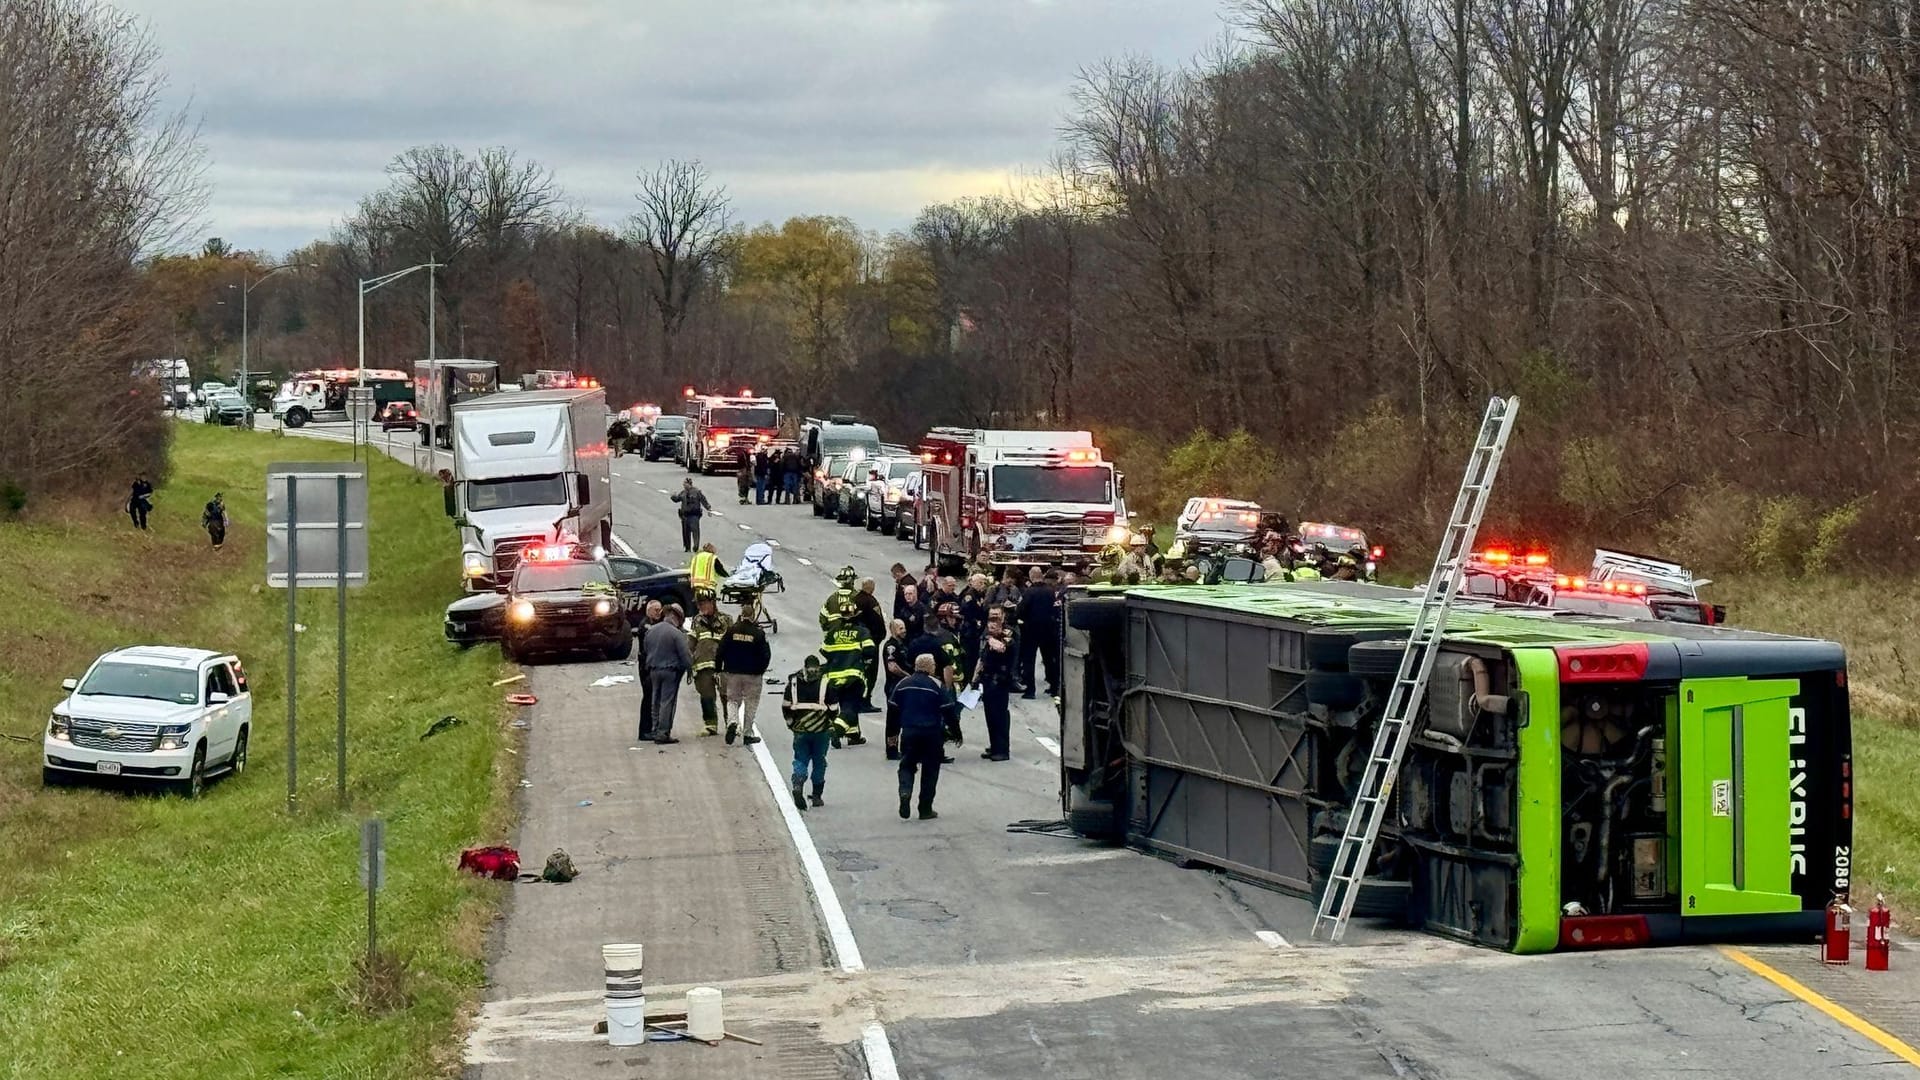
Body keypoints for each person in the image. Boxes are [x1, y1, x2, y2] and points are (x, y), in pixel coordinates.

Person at [892, 654, 948, 820]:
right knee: (930, 770)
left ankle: (905, 790)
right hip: (931, 734)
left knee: (907, 765)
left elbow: (893, 709)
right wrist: (955, 732)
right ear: (930, 667)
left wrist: (892, 734)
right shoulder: (936, 685)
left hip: (909, 732)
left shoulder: (903, 684)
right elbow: (948, 709)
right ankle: (925, 809)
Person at [907, 603, 966, 755]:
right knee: (939, 717)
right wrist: (947, 687)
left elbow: (907, 663)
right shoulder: (947, 638)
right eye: (952, 618)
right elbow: (951, 665)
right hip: (938, 684)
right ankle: (937, 749)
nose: (955, 621)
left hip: (916, 684)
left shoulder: (915, 642)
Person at [783, 655, 836, 810]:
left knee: (800, 759)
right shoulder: (826, 683)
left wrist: (791, 724)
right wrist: (830, 726)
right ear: (818, 667)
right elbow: (834, 709)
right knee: (819, 761)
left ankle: (798, 784)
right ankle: (817, 796)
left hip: (800, 730)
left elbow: (786, 706)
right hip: (821, 731)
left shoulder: (793, 683)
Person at [717, 599, 771, 745]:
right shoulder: (758, 634)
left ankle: (732, 722)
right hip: (753, 675)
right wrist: (761, 670)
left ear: (741, 615)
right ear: (753, 616)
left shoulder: (731, 631)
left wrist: (718, 669)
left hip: (733, 673)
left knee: (732, 700)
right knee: (751, 703)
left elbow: (721, 649)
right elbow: (766, 655)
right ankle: (747, 734)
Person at [819, 606, 872, 747]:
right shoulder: (861, 632)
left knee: (845, 705)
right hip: (853, 676)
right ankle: (835, 730)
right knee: (851, 706)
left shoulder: (833, 632)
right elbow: (870, 649)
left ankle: (853, 735)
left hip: (834, 677)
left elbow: (824, 650)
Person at [972, 606, 1018, 761]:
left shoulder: (1007, 637)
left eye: (994, 627)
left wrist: (992, 640)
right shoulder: (988, 636)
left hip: (1000, 682)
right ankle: (994, 746)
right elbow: (982, 659)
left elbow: (1002, 648)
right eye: (989, 627)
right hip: (988, 682)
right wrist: (975, 679)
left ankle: (1002, 750)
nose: (991, 630)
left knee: (1000, 717)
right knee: (990, 717)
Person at [643, 605, 693, 743]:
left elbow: (646, 649)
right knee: (667, 702)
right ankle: (663, 733)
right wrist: (690, 670)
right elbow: (685, 655)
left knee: (655, 700)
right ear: (677, 618)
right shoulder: (676, 634)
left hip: (653, 670)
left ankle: (655, 729)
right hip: (670, 671)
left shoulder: (651, 631)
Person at [689, 592, 732, 737]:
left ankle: (731, 723)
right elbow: (691, 641)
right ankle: (710, 725)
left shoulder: (726, 620)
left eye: (703, 603)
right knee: (706, 697)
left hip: (723, 666)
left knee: (727, 696)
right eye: (699, 604)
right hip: (703, 665)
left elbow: (733, 642)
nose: (701, 607)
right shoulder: (697, 620)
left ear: (712, 602)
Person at [1016, 571, 1059, 699]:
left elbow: (1021, 609)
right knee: (1049, 659)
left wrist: (1019, 617)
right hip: (1049, 630)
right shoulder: (1051, 591)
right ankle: (1054, 687)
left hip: (1031, 630)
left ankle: (1030, 690)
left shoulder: (1029, 592)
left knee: (1029, 660)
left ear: (1031, 577)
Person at [854, 578, 887, 710]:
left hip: (857, 644)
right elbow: (877, 621)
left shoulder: (855, 600)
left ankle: (857, 699)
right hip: (870, 643)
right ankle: (865, 701)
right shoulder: (870, 601)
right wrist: (880, 636)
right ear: (871, 588)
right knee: (870, 673)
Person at [881, 618, 911, 761]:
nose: (904, 630)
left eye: (904, 627)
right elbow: (892, 667)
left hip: (904, 686)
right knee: (893, 719)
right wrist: (909, 676)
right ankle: (892, 749)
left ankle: (905, 747)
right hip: (895, 687)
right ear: (893, 630)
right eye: (900, 628)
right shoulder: (891, 647)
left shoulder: (903, 644)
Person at [635, 599, 664, 740]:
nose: (658, 612)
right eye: (655, 610)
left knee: (654, 698)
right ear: (648, 611)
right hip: (646, 667)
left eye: (660, 610)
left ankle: (653, 727)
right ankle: (645, 731)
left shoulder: (657, 624)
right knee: (648, 698)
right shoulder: (646, 625)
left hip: (652, 665)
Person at [670, 478, 711, 552]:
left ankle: (695, 546)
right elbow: (677, 499)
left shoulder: (697, 492)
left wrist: (708, 508)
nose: (683, 485)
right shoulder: (683, 492)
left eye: (685, 483)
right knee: (686, 532)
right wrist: (673, 496)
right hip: (685, 515)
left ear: (689, 484)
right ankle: (687, 547)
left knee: (695, 531)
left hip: (694, 515)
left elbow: (703, 500)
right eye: (683, 483)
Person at [819, 565, 860, 630]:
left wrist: (828, 632)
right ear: (852, 581)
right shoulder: (860, 598)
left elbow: (823, 617)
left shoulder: (832, 599)